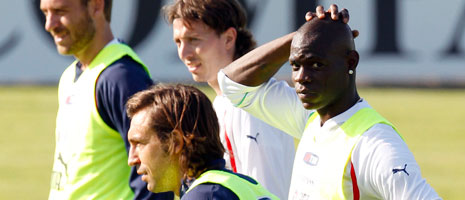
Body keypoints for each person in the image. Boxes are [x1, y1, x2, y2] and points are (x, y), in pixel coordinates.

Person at [218, 7, 442, 200]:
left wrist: (310, 38)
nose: (301, 77)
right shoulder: (310, 118)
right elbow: (231, 84)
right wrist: (303, 35)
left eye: (316, 64)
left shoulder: (375, 144)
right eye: (295, 65)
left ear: (350, 62)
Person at [161, 0, 297, 198]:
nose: (184, 53)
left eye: (194, 40)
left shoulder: (251, 106)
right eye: (178, 42)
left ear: (228, 38)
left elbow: (267, 194)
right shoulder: (224, 102)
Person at [40, 0, 173, 199]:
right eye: (46, 13)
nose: (50, 24)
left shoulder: (121, 78)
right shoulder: (70, 76)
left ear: (96, 6)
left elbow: (157, 178)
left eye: (60, 11)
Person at [126, 83, 279, 200]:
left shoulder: (204, 195)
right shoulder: (241, 184)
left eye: (139, 143)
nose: (131, 159)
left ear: (175, 142)